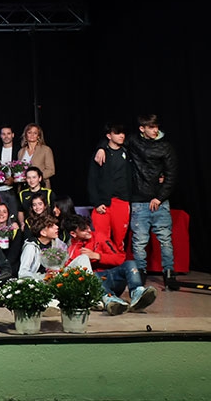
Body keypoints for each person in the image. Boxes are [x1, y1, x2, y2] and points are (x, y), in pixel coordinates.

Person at [95, 113, 178, 289]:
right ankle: (140, 274)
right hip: (139, 200)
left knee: (165, 240)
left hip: (159, 201)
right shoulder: (133, 141)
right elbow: (113, 141)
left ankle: (169, 274)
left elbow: (171, 176)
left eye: (156, 127)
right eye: (151, 127)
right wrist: (101, 147)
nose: (155, 130)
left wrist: (159, 197)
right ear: (142, 129)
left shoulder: (166, 147)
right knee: (139, 242)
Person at [65, 214, 158, 315]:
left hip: (113, 277)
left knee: (130, 264)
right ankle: (110, 301)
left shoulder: (99, 237)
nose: (89, 230)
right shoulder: (70, 251)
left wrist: (97, 256)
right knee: (91, 276)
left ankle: (137, 293)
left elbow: (119, 258)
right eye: (83, 229)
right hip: (96, 285)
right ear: (73, 233)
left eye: (88, 226)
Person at [87, 123, 134, 258]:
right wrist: (96, 202)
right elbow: (92, 180)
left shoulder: (127, 151)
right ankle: (102, 271)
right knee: (101, 239)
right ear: (109, 136)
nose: (121, 136)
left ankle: (119, 267)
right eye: (117, 133)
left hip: (122, 201)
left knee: (120, 239)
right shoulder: (101, 154)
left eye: (123, 133)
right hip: (103, 202)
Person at [18, 215, 90, 281]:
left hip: (57, 275)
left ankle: (90, 289)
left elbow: (65, 263)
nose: (57, 227)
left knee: (83, 258)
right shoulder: (31, 247)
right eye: (52, 226)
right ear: (43, 233)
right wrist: (43, 277)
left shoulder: (56, 242)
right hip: (41, 280)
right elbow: (22, 273)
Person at [0, 125, 20, 215]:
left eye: (8, 134)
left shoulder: (19, 151)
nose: (6, 136)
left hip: (14, 190)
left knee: (14, 216)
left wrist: (13, 180)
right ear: (0, 136)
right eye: (3, 134)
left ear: (13, 135)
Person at [18, 123, 56, 188]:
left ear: (38, 136)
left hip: (41, 187)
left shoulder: (46, 150)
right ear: (26, 135)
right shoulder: (21, 152)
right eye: (29, 132)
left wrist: (35, 178)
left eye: (35, 133)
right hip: (25, 188)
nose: (32, 135)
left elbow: (51, 170)